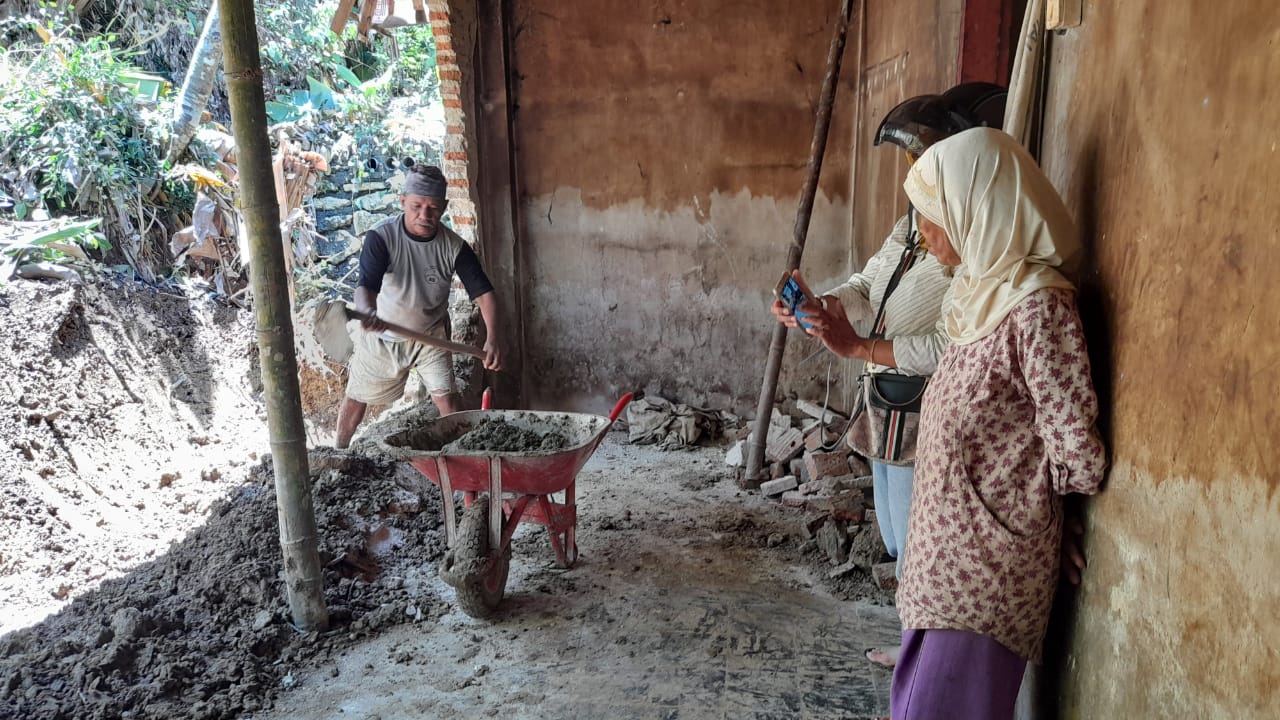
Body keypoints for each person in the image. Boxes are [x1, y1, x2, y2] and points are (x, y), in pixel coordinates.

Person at [772, 82, 1007, 670]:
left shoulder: (976, 244)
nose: (915, 174)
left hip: (926, 408)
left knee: (919, 542)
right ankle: (913, 647)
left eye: (925, 163)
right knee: (896, 530)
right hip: (887, 401)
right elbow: (871, 280)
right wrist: (825, 302)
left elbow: (950, 344)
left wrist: (860, 347)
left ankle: (921, 660)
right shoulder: (913, 225)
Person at [887, 127, 1107, 720]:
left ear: (978, 207)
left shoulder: (1038, 307)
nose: (924, 235)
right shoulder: (980, 291)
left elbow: (1076, 452)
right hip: (943, 568)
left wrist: (1047, 519)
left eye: (934, 216)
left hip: (985, 576)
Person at [335, 164, 503, 449]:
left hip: (430, 336)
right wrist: (367, 313)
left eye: (433, 208)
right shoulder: (382, 238)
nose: (424, 215)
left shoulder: (453, 246)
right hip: (382, 335)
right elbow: (366, 286)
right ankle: (338, 452)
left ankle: (465, 460)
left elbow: (484, 294)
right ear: (403, 202)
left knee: (448, 400)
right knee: (357, 397)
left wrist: (493, 339)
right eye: (416, 206)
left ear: (445, 207)